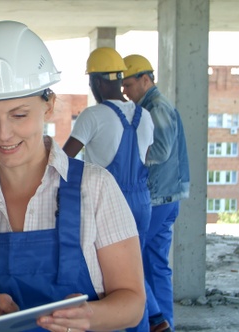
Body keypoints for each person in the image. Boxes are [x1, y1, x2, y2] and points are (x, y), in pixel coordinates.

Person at [0, 21, 145, 332]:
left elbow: (132, 303)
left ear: (48, 105)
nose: (4, 133)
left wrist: (89, 316)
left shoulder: (96, 187)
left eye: (19, 115)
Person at [63, 47, 155, 332]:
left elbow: (63, 159)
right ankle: (147, 323)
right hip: (142, 201)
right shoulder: (145, 116)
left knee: (106, 279)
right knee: (132, 277)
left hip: (110, 202)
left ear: (98, 82)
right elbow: (146, 156)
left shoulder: (93, 116)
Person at [122, 54, 190, 332]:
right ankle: (165, 323)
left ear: (146, 79)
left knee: (134, 260)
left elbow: (160, 151)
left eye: (127, 84)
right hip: (167, 196)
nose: (124, 91)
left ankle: (155, 320)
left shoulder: (156, 108)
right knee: (155, 264)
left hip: (159, 197)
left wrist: (126, 154)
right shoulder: (152, 106)